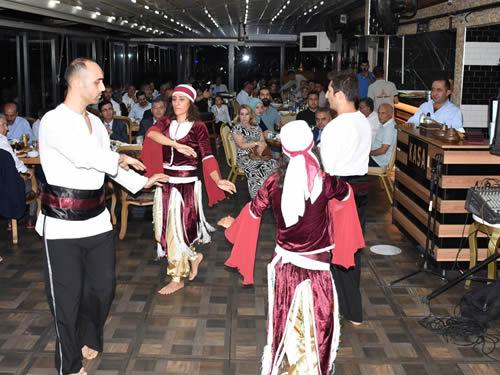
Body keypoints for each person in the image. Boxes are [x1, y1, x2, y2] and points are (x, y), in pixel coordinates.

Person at [35, 57, 167, 375]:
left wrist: (140, 182)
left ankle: (89, 334)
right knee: (65, 300)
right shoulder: (53, 121)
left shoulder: (94, 121)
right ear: (77, 82)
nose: (103, 87)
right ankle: (69, 365)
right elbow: (84, 158)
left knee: (103, 287)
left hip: (96, 220)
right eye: (98, 81)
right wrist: (118, 157)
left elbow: (104, 164)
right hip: (62, 225)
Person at [219, 120, 363, 374]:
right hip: (317, 269)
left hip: (285, 268)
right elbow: (347, 195)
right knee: (316, 325)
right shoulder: (324, 181)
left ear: (283, 150)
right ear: (311, 145)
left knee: (286, 322)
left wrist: (234, 226)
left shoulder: (273, 182)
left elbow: (253, 211)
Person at [141, 84, 236, 296]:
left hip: (185, 186)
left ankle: (177, 278)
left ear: (190, 102)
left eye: (181, 99)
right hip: (166, 182)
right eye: (174, 99)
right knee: (163, 231)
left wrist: (218, 180)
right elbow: (151, 135)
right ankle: (193, 256)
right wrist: (175, 145)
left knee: (176, 231)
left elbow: (208, 156)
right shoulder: (165, 123)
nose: (176, 103)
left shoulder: (198, 127)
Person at [321, 71, 372, 325]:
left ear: (340, 94)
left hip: (340, 191)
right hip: (361, 188)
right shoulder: (363, 120)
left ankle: (351, 310)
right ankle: (344, 305)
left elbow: (327, 169)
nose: (327, 95)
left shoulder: (335, 127)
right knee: (353, 248)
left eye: (329, 91)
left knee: (338, 251)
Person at [232, 104, 278, 198]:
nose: (244, 117)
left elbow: (263, 142)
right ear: (239, 115)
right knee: (259, 166)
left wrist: (260, 149)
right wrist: (256, 143)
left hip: (259, 154)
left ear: (251, 116)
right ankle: (258, 197)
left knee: (274, 164)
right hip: (244, 157)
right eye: (242, 114)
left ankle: (271, 194)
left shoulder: (256, 127)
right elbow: (242, 145)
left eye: (247, 114)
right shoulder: (237, 129)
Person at [369, 103, 397, 168]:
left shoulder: (390, 128)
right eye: (379, 113)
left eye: (383, 113)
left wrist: (368, 154)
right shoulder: (384, 124)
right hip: (375, 158)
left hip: (378, 162)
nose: (380, 116)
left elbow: (383, 150)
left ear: (390, 114)